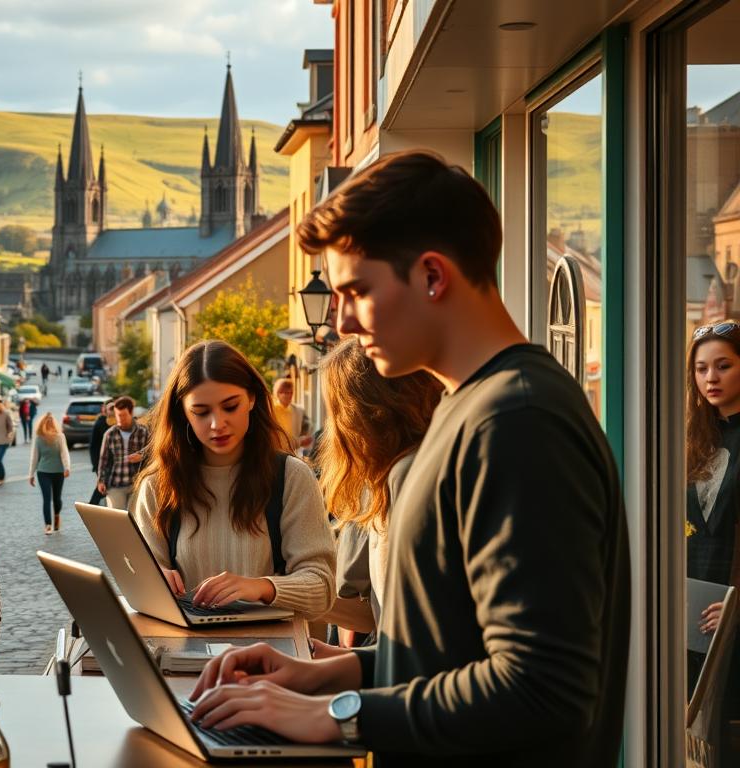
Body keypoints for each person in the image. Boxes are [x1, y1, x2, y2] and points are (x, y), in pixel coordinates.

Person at [188, 151, 629, 766]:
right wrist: (324, 674)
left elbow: (541, 689)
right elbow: (448, 657)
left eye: (357, 291)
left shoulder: (519, 421)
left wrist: (337, 717)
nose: (340, 320)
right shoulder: (470, 406)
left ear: (431, 275)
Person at [130, 340, 334, 617]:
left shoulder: (292, 476)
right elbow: (139, 587)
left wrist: (261, 588)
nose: (217, 424)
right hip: (184, 654)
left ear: (251, 398)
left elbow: (321, 589)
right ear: (183, 414)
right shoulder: (158, 484)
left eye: (230, 406)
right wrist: (154, 581)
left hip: (272, 653)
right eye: (201, 412)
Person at [314, 339, 441, 644]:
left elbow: (412, 647)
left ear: (358, 416)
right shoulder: (393, 476)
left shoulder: (404, 480)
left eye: (335, 412)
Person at [685, 322, 740, 695]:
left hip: (732, 613)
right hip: (688, 614)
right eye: (701, 368)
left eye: (723, 366)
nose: (711, 378)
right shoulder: (687, 437)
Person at [95, 396, 150, 510]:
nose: (120, 419)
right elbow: (103, 459)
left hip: (137, 485)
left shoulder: (143, 432)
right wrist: (101, 480)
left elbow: (153, 454)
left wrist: (141, 456)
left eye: (123, 415)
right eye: (117, 415)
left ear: (131, 413)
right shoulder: (109, 434)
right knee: (117, 521)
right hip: (115, 485)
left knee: (135, 521)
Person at [29, 412, 71, 535]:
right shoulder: (39, 438)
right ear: (42, 424)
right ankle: (48, 525)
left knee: (57, 499)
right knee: (46, 499)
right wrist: (31, 474)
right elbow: (34, 457)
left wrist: (67, 467)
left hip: (58, 472)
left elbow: (65, 453)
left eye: (51, 422)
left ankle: (57, 515)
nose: (49, 424)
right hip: (43, 472)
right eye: (47, 422)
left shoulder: (60, 437)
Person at [88, 399, 114, 506]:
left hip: (116, 464)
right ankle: (92, 508)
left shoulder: (120, 422)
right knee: (103, 487)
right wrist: (96, 465)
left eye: (114, 408)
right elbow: (93, 447)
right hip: (102, 463)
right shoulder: (100, 424)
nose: (112, 410)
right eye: (110, 408)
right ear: (105, 410)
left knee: (107, 487)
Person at [270, 377, 305, 451]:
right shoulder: (271, 409)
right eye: (285, 393)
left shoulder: (295, 411)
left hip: (291, 450)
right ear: (278, 393)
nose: (289, 395)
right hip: (275, 450)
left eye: (291, 392)